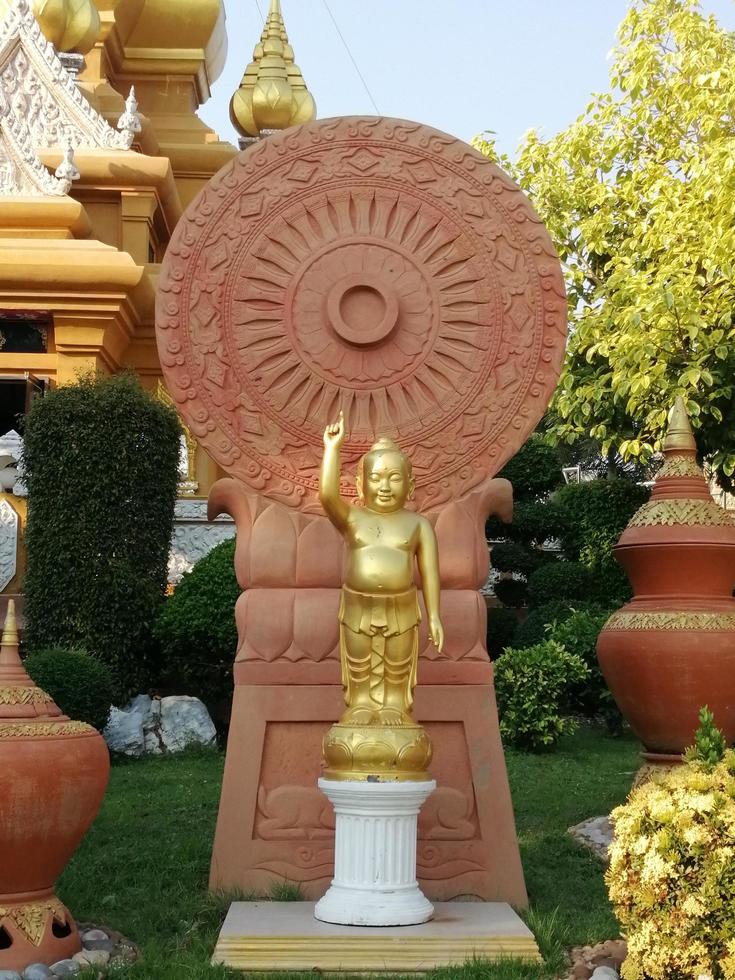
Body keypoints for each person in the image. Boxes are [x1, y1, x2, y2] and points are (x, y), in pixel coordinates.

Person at [319, 411, 444, 728]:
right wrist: (332, 450)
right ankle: (360, 704)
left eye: (394, 478)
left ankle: (393, 707)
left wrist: (435, 616)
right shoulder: (353, 519)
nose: (384, 486)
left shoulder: (418, 525)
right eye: (375, 478)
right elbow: (327, 496)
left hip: (401, 606)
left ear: (411, 485)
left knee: (396, 663)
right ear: (360, 484)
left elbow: (429, 573)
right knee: (359, 661)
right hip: (357, 605)